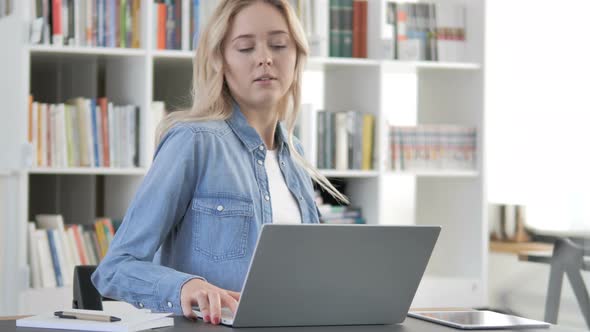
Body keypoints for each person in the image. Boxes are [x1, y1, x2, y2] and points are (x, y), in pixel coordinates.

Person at [91, 0, 347, 326]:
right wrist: (187, 286)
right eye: (244, 48)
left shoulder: (295, 156)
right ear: (220, 61)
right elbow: (116, 267)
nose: (265, 58)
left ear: (297, 56)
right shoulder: (194, 140)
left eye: (279, 45)